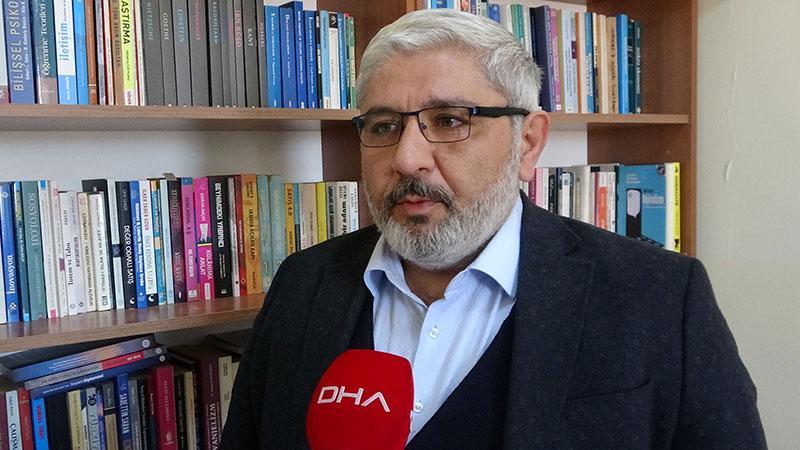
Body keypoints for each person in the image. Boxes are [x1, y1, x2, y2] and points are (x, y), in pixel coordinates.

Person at [221, 9, 766, 449]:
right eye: (384, 126)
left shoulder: (662, 298)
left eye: (449, 120)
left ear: (527, 143)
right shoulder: (303, 282)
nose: (407, 158)